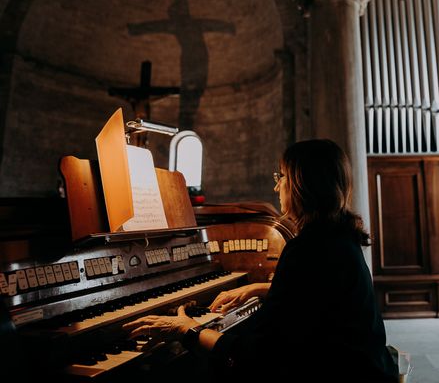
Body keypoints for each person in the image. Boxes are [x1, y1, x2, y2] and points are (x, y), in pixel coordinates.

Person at [123, 139, 399, 382]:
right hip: (365, 367)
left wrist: (187, 331)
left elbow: (260, 356)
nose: (277, 186)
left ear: (302, 186)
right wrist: (258, 288)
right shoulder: (337, 236)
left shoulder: (307, 248)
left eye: (281, 177)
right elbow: (320, 295)